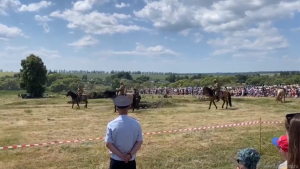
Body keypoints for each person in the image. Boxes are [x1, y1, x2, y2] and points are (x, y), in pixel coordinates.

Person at [105, 96, 143, 169]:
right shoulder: (136, 123)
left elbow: (108, 143)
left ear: (117, 107)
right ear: (129, 107)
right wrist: (129, 155)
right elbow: (139, 142)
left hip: (116, 161)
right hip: (130, 161)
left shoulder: (111, 124)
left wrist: (121, 156)